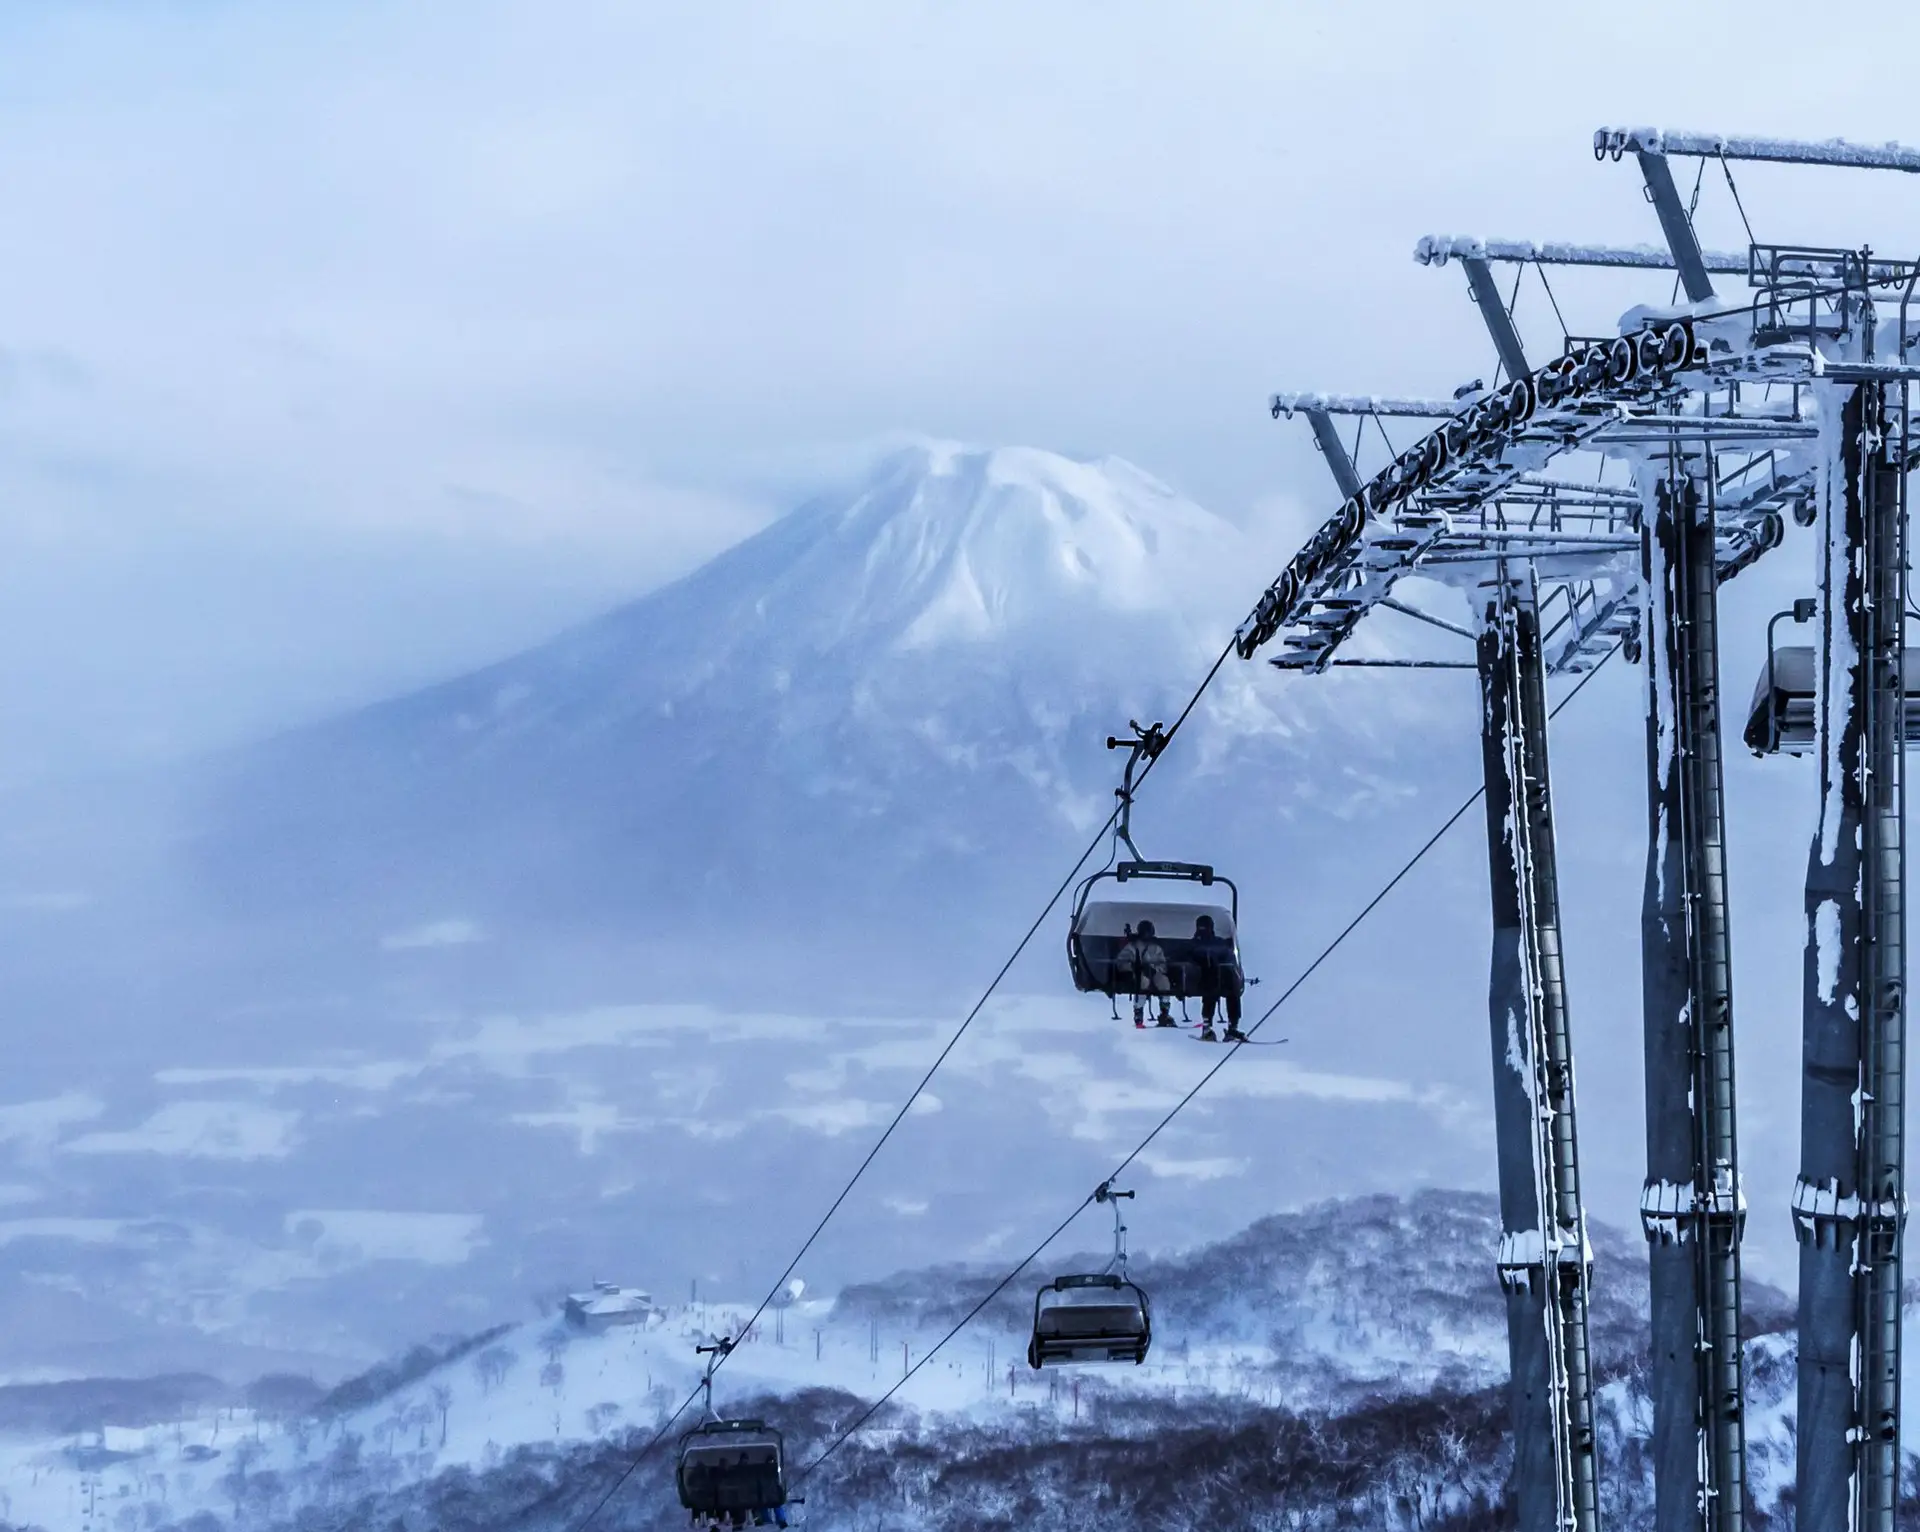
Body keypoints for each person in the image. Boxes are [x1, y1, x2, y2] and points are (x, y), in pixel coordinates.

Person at [1192, 913, 1244, 1042]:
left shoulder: (1219, 943)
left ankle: (1233, 1025)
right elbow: (1189, 957)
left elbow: (1228, 956)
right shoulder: (1193, 944)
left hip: (1221, 976)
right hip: (1202, 977)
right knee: (1211, 988)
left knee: (1232, 989)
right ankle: (1207, 1025)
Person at [1113, 921, 1174, 1027]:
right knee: (1143, 982)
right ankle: (1138, 1012)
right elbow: (1121, 962)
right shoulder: (1132, 947)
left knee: (1164, 982)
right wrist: (1133, 968)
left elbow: (1163, 965)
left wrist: (1154, 969)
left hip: (1154, 972)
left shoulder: (1156, 948)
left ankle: (1164, 1013)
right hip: (1137, 974)